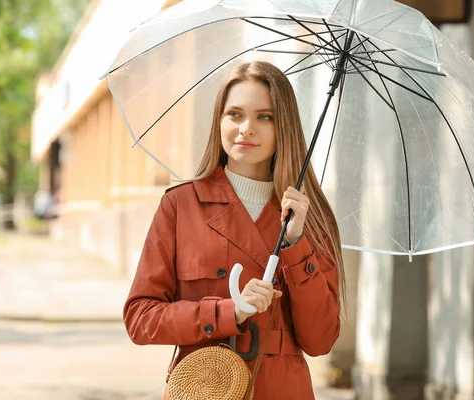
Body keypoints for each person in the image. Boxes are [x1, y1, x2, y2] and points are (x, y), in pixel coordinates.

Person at [123, 61, 346, 399]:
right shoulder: (181, 206)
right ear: (219, 121)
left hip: (283, 389)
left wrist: (296, 244)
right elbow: (140, 318)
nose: (247, 128)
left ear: (284, 126)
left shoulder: (309, 216)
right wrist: (229, 311)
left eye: (264, 117)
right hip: (204, 384)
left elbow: (320, 340)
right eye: (235, 114)